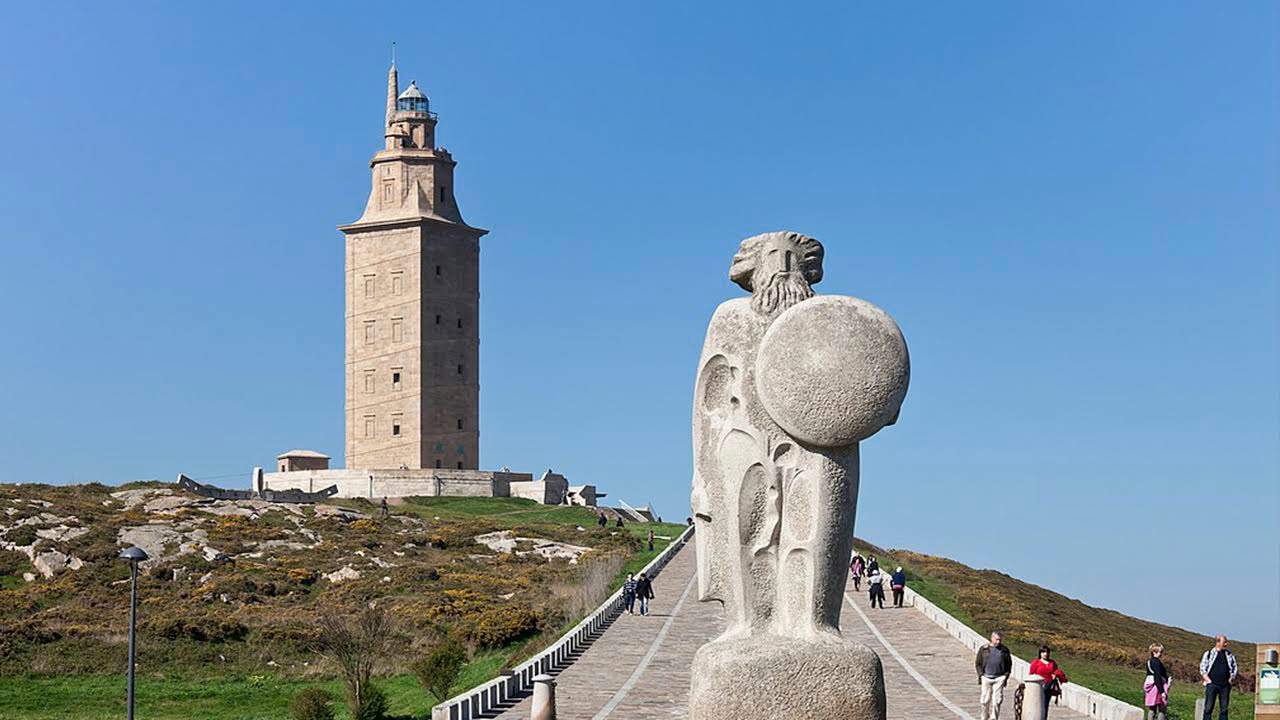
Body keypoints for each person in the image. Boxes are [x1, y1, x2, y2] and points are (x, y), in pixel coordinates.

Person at [975, 631, 1013, 720]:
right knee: (985, 700)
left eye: (1000, 640)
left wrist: (1005, 676)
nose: (998, 642)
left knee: (997, 700)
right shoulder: (984, 649)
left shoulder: (1004, 650)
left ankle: (994, 718)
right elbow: (978, 663)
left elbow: (1009, 664)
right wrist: (981, 675)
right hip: (986, 677)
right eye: (996, 639)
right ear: (992, 638)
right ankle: (984, 716)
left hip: (999, 678)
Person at [1199, 635, 1237, 720]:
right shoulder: (1209, 653)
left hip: (1225, 686)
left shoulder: (1229, 655)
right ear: (1218, 642)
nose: (1226, 644)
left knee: (1224, 709)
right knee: (1208, 708)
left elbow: (1234, 667)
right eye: (1224, 642)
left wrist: (1231, 679)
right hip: (1212, 684)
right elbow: (1202, 668)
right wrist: (1208, 680)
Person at [1029, 645, 1068, 718]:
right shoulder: (1035, 663)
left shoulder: (1052, 663)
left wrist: (1055, 674)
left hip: (1049, 687)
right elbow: (1031, 675)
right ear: (1040, 653)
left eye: (1047, 652)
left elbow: (1056, 671)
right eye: (1043, 652)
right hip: (1038, 687)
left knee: (1045, 705)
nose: (1045, 654)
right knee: (1038, 705)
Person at [1144, 643, 1171, 720]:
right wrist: (1162, 691)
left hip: (1151, 686)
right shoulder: (1156, 662)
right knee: (1162, 708)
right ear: (1154, 652)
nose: (1161, 654)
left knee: (1152, 708)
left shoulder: (1149, 661)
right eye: (1160, 652)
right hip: (1158, 687)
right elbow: (1157, 676)